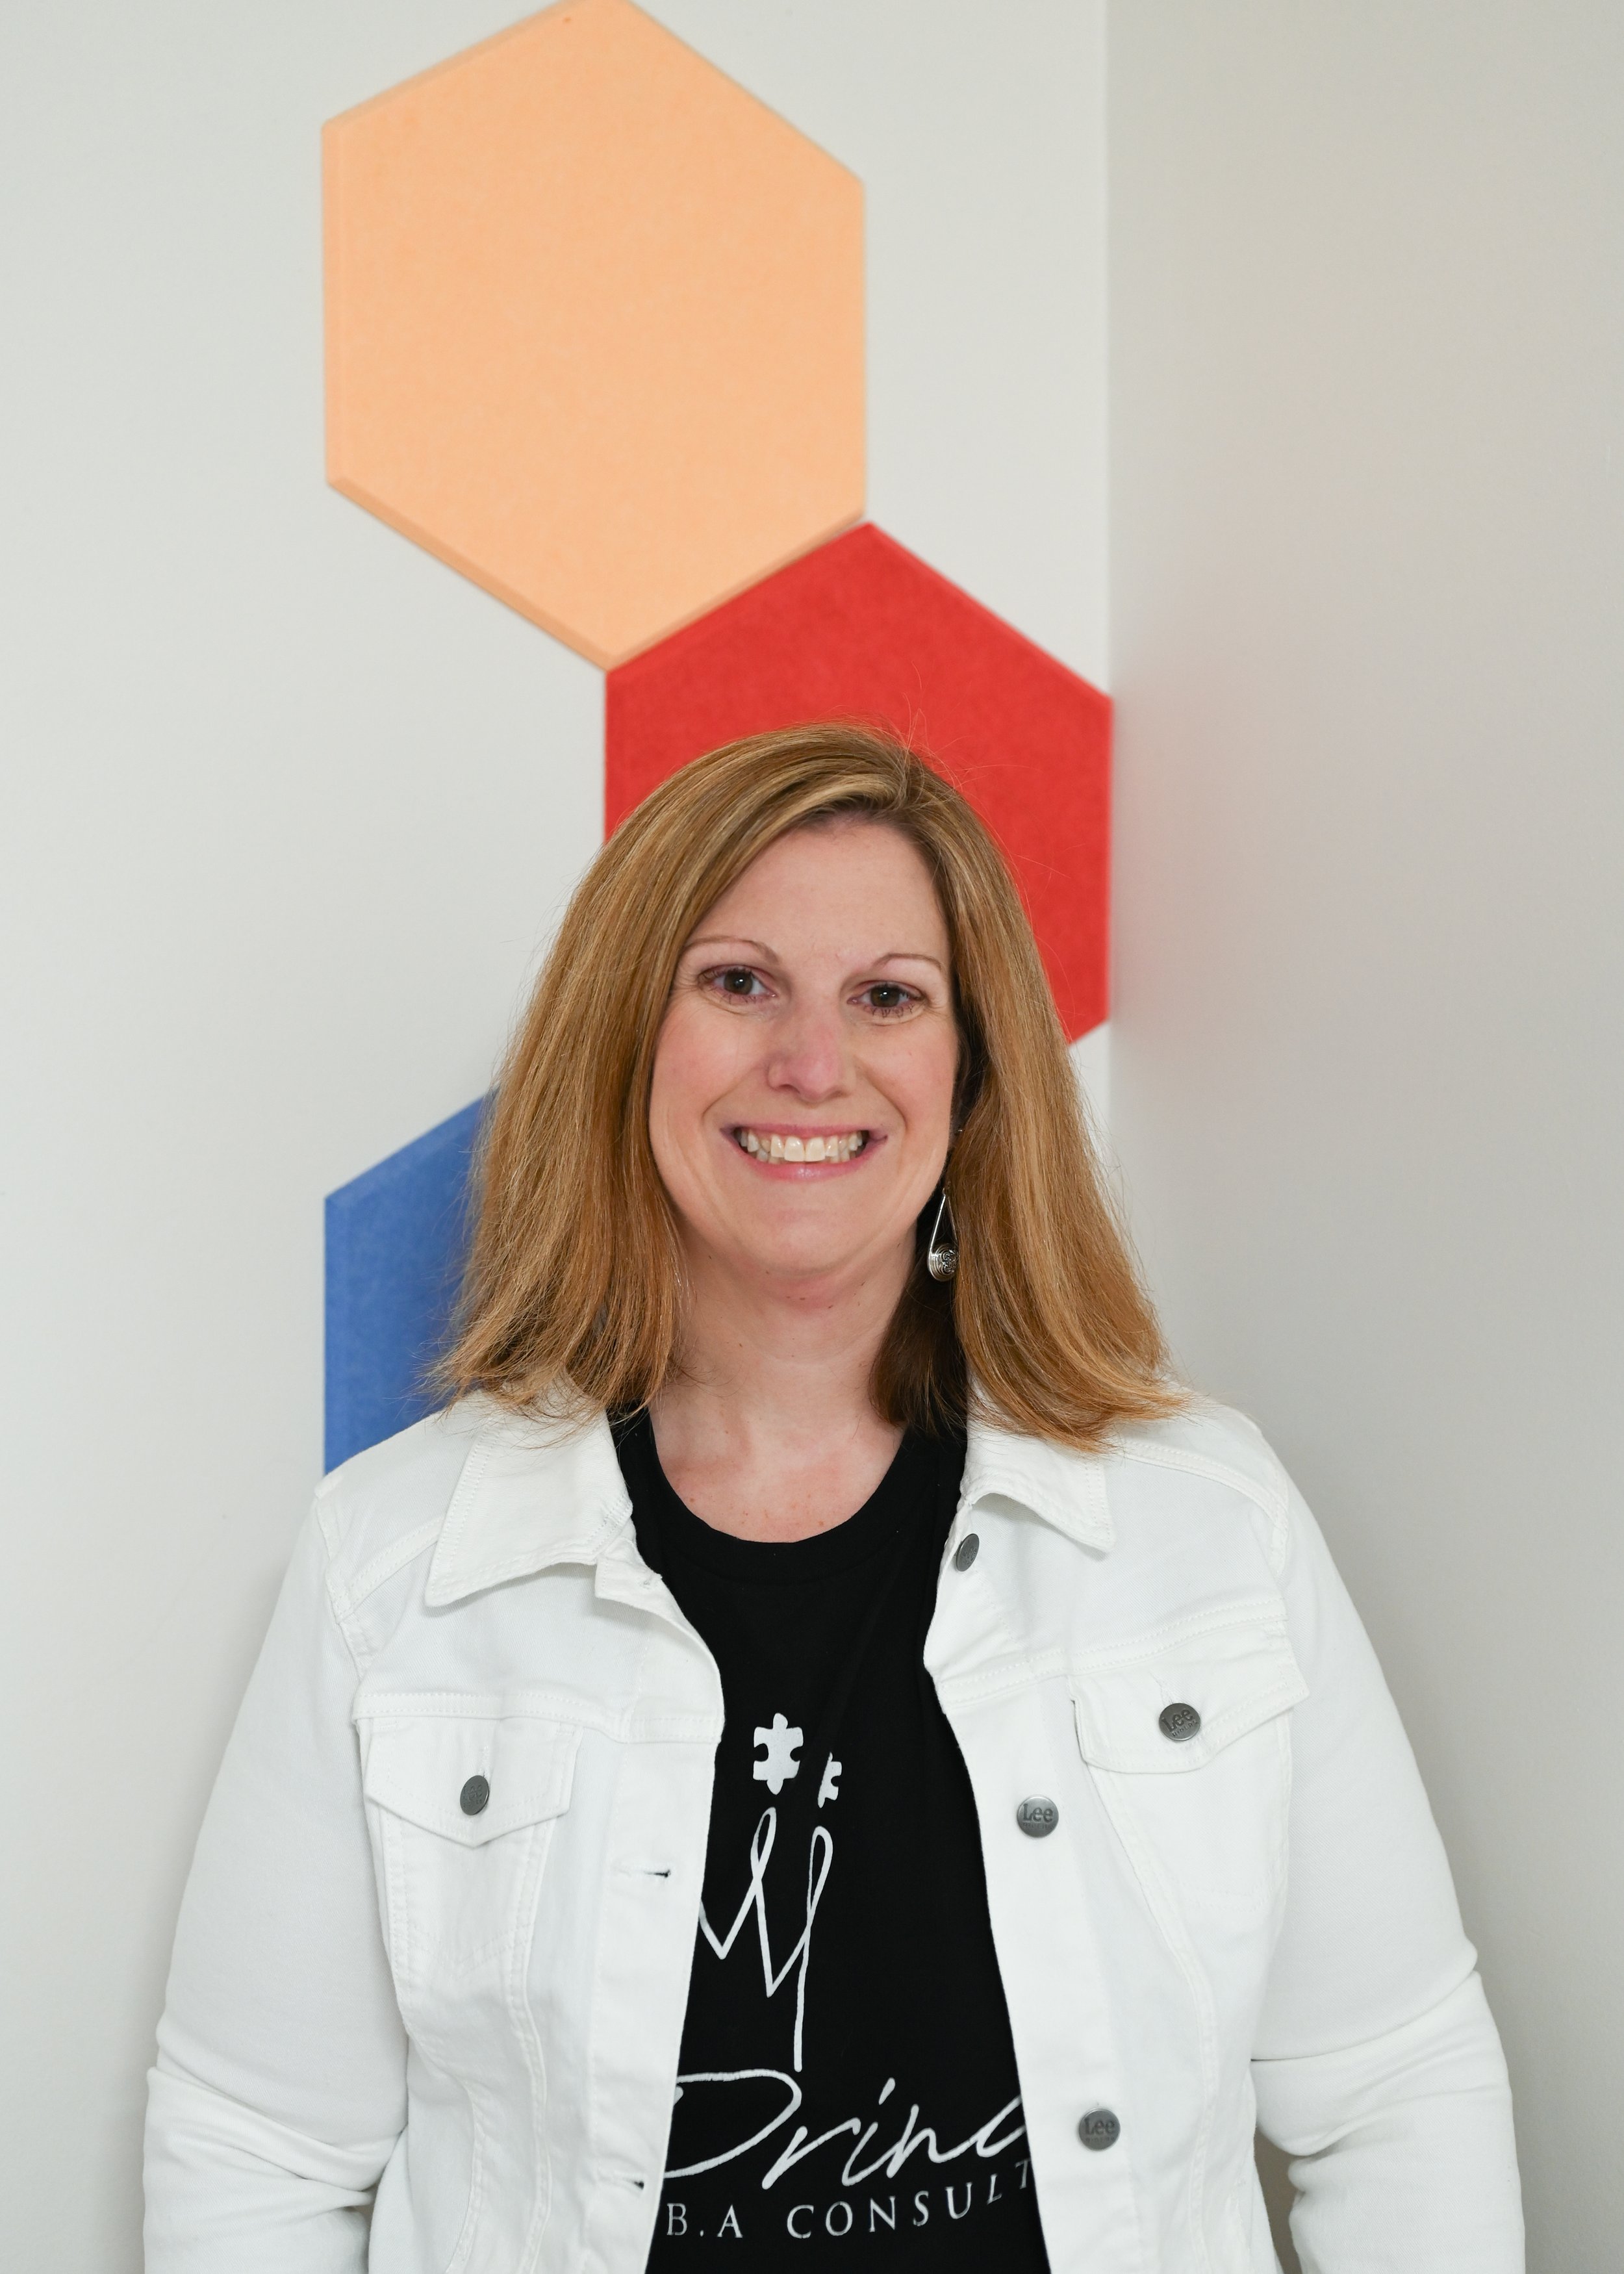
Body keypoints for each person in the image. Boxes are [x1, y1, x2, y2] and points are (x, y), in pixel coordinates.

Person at [144, 724, 1524, 2272]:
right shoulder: (391, 1562)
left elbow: (1394, 2091)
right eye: (738, 982)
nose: (814, 1061)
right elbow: (253, 2152)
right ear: (626, 1044)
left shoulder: (1208, 1525)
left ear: (968, 1073)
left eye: (889, 995)